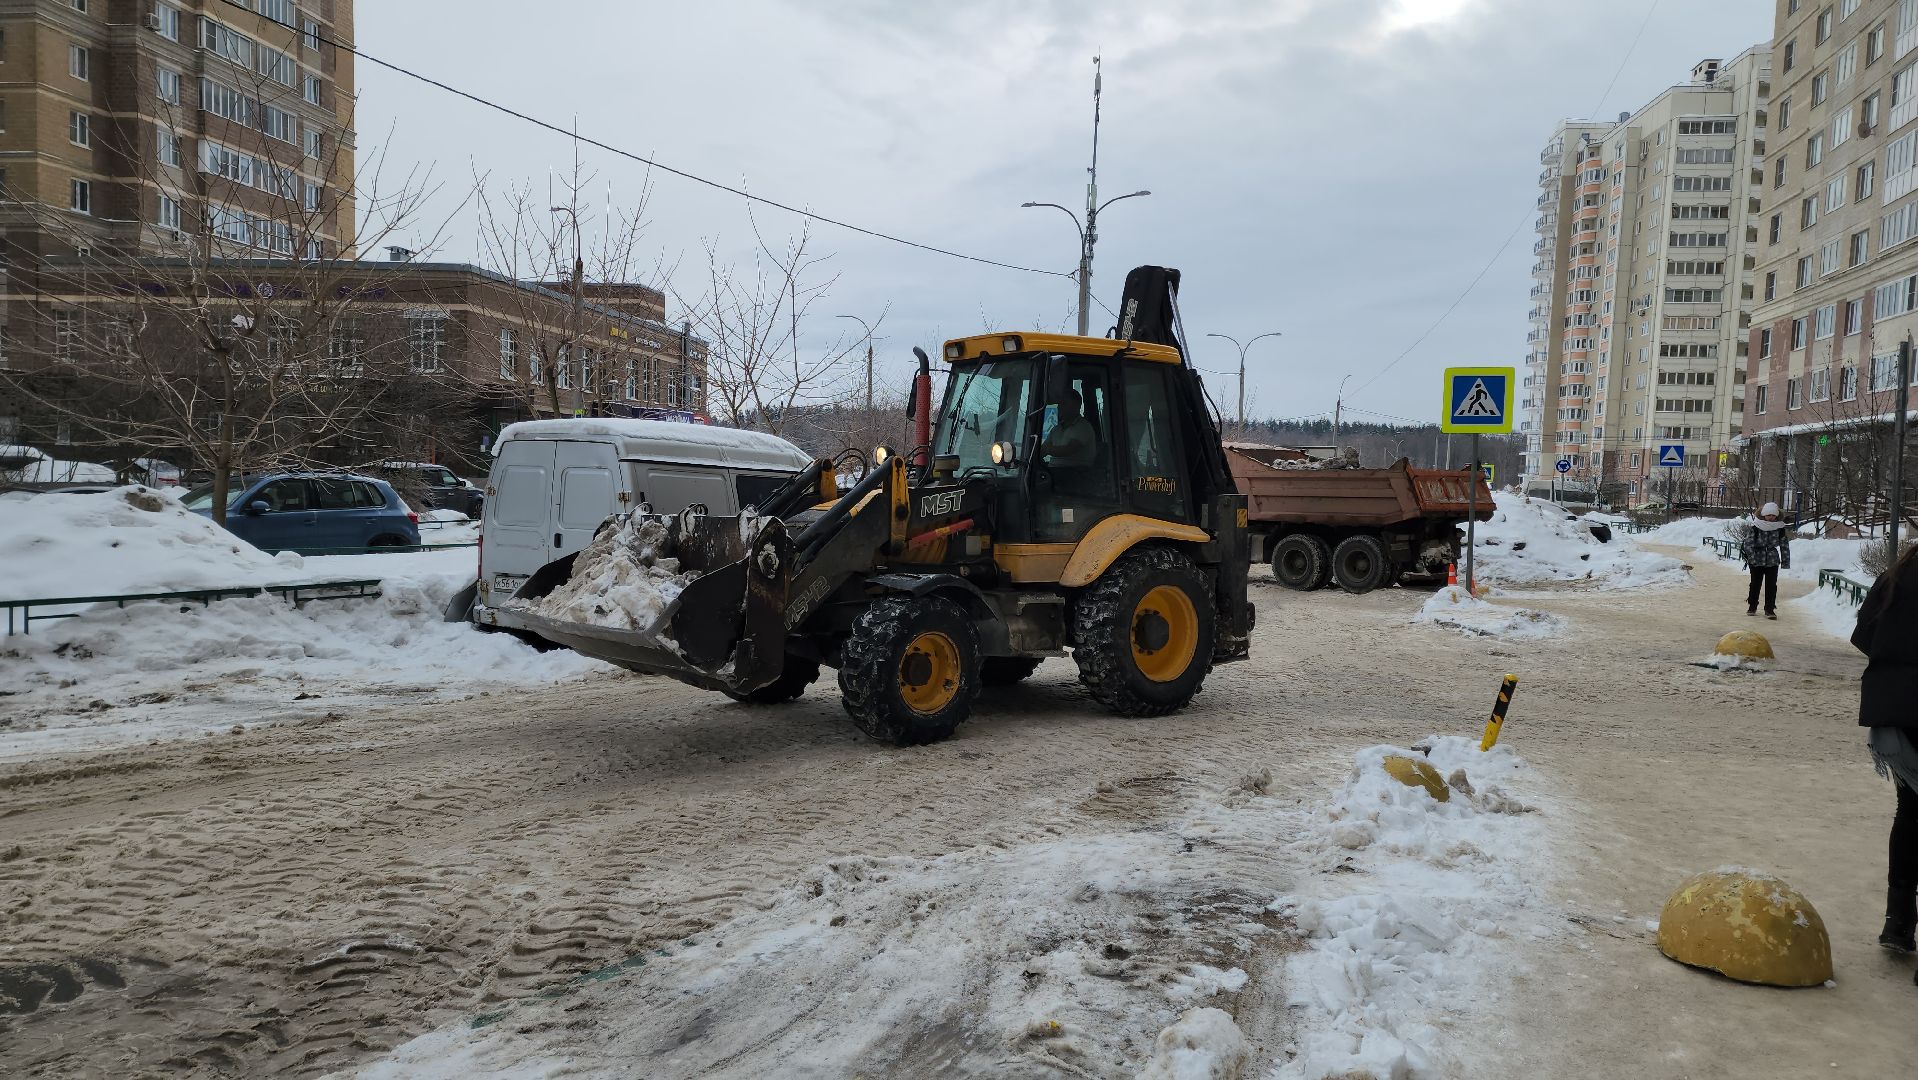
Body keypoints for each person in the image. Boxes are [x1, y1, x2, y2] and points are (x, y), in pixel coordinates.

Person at [1856, 542, 1918, 959]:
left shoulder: (1898, 575)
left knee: (1911, 813)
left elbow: (1864, 634)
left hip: (1899, 712)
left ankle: (1897, 922)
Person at [1740, 502, 1791, 619]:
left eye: (1773, 515)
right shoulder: (1756, 527)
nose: (1771, 517)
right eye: (1768, 515)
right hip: (1756, 559)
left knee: (1772, 585)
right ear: (1763, 515)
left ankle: (1769, 609)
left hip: (1772, 560)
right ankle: (1752, 606)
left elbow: (1784, 546)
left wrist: (1785, 561)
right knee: (1755, 584)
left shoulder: (1780, 528)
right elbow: (1748, 544)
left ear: (1777, 516)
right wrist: (1752, 558)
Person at [1042, 389, 1096, 468]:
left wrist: (1047, 450)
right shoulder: (1056, 429)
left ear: (1076, 406)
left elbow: (1068, 450)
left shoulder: (1083, 426)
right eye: (1059, 404)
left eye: (1064, 404)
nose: (1059, 407)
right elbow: (1042, 450)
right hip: (1054, 471)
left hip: (1075, 474)